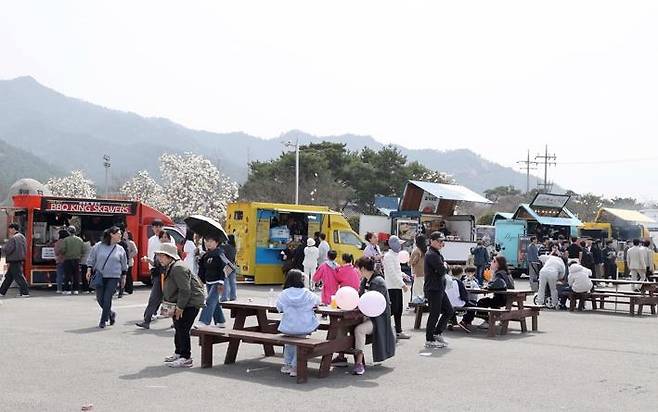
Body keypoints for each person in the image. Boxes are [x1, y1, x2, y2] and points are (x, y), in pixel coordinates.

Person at [158, 243, 206, 368]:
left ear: (169, 256)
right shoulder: (171, 266)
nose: (159, 258)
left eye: (162, 256)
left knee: (183, 328)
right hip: (181, 302)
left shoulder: (178, 267)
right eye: (159, 256)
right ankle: (179, 353)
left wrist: (180, 307)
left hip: (190, 303)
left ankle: (186, 357)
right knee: (178, 327)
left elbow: (185, 290)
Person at [352, 256, 396, 375]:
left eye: (358, 269)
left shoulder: (378, 282)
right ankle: (341, 355)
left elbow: (375, 306)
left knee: (359, 330)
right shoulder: (365, 280)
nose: (357, 271)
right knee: (345, 326)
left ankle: (359, 362)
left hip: (378, 320)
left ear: (362, 268)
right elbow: (359, 297)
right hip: (366, 316)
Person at [276, 269, 321, 377]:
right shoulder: (307, 293)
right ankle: (295, 367)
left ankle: (287, 365)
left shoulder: (284, 293)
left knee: (289, 344)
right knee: (300, 344)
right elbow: (318, 301)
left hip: (288, 325)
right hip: (304, 326)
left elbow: (279, 307)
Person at [85, 227, 127, 328]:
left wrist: (124, 277)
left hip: (114, 276)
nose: (120, 236)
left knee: (107, 298)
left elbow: (124, 264)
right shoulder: (98, 246)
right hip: (100, 275)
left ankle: (103, 320)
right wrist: (89, 269)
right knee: (100, 299)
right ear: (112, 234)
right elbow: (91, 258)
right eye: (119, 233)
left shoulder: (120, 249)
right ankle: (111, 314)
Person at [459, 256, 515, 330]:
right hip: (507, 298)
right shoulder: (506, 273)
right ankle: (497, 319)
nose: (492, 262)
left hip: (503, 298)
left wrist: (488, 286)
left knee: (481, 302)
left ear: (499, 264)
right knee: (490, 302)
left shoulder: (500, 273)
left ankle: (488, 321)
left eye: (494, 261)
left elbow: (498, 283)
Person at [136, 229, 174, 329]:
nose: (164, 239)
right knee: (153, 298)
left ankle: (176, 322)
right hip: (159, 277)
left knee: (173, 300)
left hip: (170, 277)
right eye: (162, 237)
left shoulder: (173, 249)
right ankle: (146, 320)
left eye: (166, 237)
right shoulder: (158, 250)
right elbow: (156, 264)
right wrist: (148, 260)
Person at [424, 232, 454, 348]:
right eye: (439, 241)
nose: (442, 243)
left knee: (449, 310)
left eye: (442, 241)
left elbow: (442, 269)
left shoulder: (436, 253)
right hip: (433, 288)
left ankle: (437, 333)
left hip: (439, 287)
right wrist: (444, 266)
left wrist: (444, 266)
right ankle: (429, 339)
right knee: (434, 314)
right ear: (432, 241)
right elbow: (442, 270)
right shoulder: (431, 254)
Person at [196, 233, 228, 328]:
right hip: (209, 282)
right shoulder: (206, 255)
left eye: (211, 241)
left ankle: (204, 321)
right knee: (215, 302)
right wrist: (201, 279)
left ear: (216, 242)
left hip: (218, 282)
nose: (208, 244)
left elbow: (227, 267)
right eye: (206, 241)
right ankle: (220, 321)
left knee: (209, 301)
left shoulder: (219, 253)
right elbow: (202, 268)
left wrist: (222, 281)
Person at [382, 235, 410, 340]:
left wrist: (403, 275)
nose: (400, 246)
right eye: (399, 244)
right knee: (393, 309)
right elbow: (392, 273)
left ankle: (398, 331)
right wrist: (402, 284)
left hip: (396, 286)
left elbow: (397, 271)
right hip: (392, 287)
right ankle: (383, 328)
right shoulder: (388, 256)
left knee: (398, 310)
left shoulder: (394, 256)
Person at [0, 223, 30, 298]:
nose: (9, 231)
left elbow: (8, 249)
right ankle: (2, 292)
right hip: (19, 258)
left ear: (13, 229)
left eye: (10, 229)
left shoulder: (14, 238)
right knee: (9, 277)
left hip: (14, 259)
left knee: (19, 276)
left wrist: (2, 248)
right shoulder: (22, 237)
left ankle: (25, 292)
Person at [445, 266, 474, 332]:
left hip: (446, 302)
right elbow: (463, 295)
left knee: (452, 304)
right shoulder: (459, 282)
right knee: (473, 305)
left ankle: (451, 320)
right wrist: (467, 301)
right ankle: (465, 321)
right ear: (461, 273)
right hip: (458, 303)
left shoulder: (448, 280)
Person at [60, 226, 84, 295]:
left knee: (67, 275)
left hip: (68, 259)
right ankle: (76, 289)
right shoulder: (80, 240)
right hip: (77, 259)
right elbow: (82, 250)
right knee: (76, 275)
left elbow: (63, 250)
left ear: (68, 231)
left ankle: (67, 290)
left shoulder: (66, 240)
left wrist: (62, 253)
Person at [409, 234, 427, 303]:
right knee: (422, 290)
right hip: (424, 272)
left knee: (417, 291)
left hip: (418, 273)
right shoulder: (425, 250)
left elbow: (412, 262)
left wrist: (409, 262)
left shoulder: (416, 251)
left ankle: (417, 306)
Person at [220, 234, 238, 302]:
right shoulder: (234, 247)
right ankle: (233, 296)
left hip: (227, 266)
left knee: (225, 282)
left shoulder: (226, 247)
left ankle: (224, 297)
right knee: (232, 282)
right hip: (232, 265)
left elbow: (219, 247)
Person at [122, 230, 138, 295]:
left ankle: (129, 289)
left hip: (129, 261)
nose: (124, 235)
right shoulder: (122, 242)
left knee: (128, 275)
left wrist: (129, 256)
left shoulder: (131, 243)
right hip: (123, 261)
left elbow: (135, 251)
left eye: (125, 234)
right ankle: (124, 288)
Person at [54, 229, 68, 294]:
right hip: (68, 260)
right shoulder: (68, 241)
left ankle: (59, 289)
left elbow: (56, 252)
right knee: (67, 275)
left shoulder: (58, 242)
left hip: (59, 260)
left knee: (59, 275)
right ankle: (67, 289)